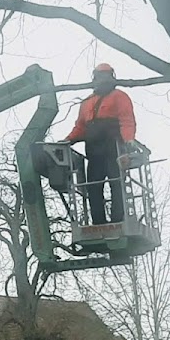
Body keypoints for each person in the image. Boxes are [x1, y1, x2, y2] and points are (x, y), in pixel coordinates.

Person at [66, 63, 136, 224]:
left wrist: (128, 139)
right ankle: (98, 222)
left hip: (113, 148)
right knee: (93, 186)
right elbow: (80, 127)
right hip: (94, 151)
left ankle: (118, 220)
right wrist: (67, 140)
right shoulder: (87, 102)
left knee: (116, 183)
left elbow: (126, 120)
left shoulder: (119, 96)